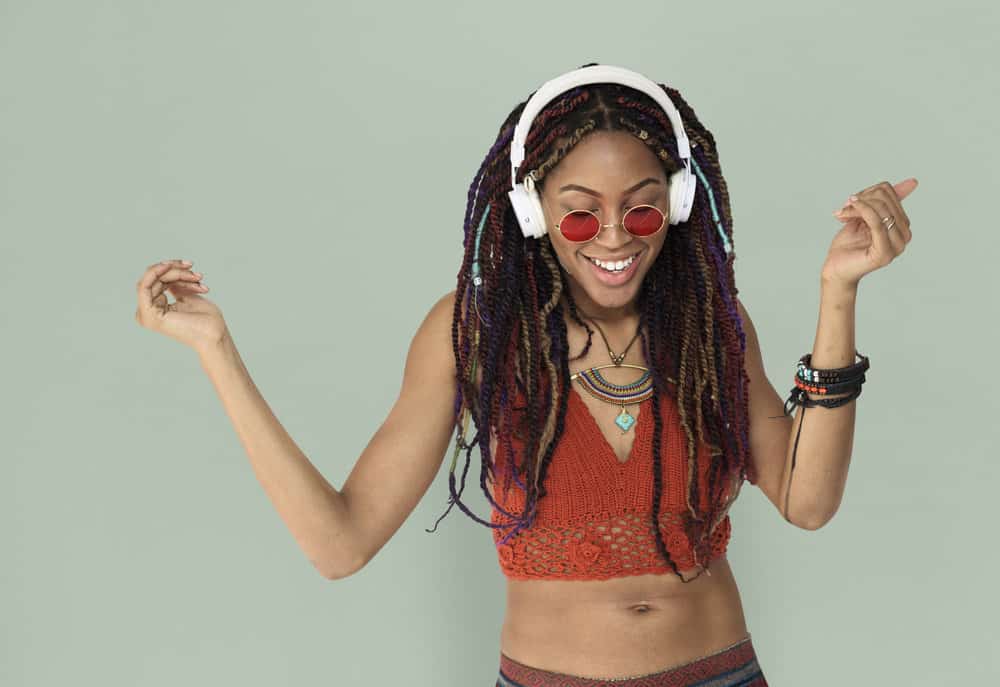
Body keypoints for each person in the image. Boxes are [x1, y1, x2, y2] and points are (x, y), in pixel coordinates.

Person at [134, 62, 915, 686]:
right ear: (533, 212)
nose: (615, 236)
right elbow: (340, 544)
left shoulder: (711, 330)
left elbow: (807, 501)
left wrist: (837, 292)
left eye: (641, 209)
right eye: (580, 212)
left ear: (675, 204)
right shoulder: (472, 333)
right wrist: (217, 349)